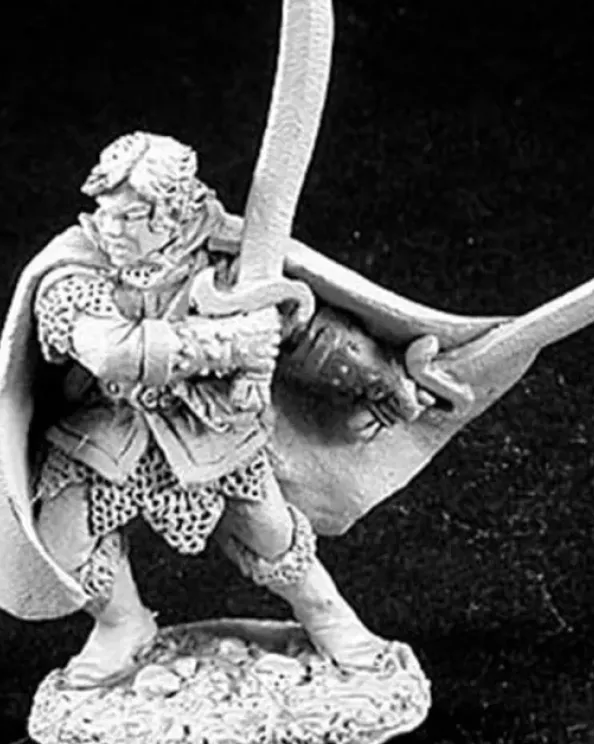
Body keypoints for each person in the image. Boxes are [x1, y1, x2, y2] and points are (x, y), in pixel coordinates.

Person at [31, 130, 432, 687]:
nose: (112, 229)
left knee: (269, 532)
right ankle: (122, 625)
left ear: (173, 214)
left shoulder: (224, 257)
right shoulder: (76, 268)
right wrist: (228, 343)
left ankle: (329, 617)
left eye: (131, 217)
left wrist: (379, 380)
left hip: (206, 425)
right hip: (110, 427)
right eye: (106, 212)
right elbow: (110, 352)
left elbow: (306, 333)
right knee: (64, 536)